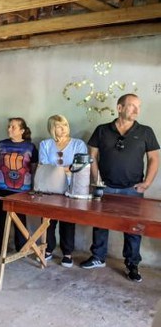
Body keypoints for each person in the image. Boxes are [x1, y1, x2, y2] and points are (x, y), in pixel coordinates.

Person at [80, 94, 159, 282]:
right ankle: (98, 257)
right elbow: (92, 155)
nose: (137, 110)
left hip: (132, 189)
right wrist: (96, 179)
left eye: (138, 106)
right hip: (105, 187)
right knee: (100, 223)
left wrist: (147, 183)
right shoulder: (102, 130)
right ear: (120, 108)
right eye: (132, 106)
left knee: (133, 228)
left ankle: (132, 264)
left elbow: (154, 158)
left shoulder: (145, 131)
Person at [38, 114, 87, 267]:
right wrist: (67, 169)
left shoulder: (78, 144)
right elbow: (44, 166)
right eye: (58, 126)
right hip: (49, 188)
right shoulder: (45, 144)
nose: (63, 129)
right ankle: (47, 249)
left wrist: (59, 169)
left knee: (68, 221)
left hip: (71, 189)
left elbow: (81, 166)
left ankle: (67, 253)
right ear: (52, 129)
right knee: (47, 221)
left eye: (65, 125)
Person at [0, 117, 38, 254]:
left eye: (13, 127)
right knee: (2, 217)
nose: (9, 129)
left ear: (22, 131)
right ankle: (1, 247)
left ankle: (21, 247)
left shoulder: (30, 147)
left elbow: (33, 166)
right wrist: (0, 173)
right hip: (1, 187)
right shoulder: (1, 144)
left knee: (20, 218)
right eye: (9, 126)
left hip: (22, 189)